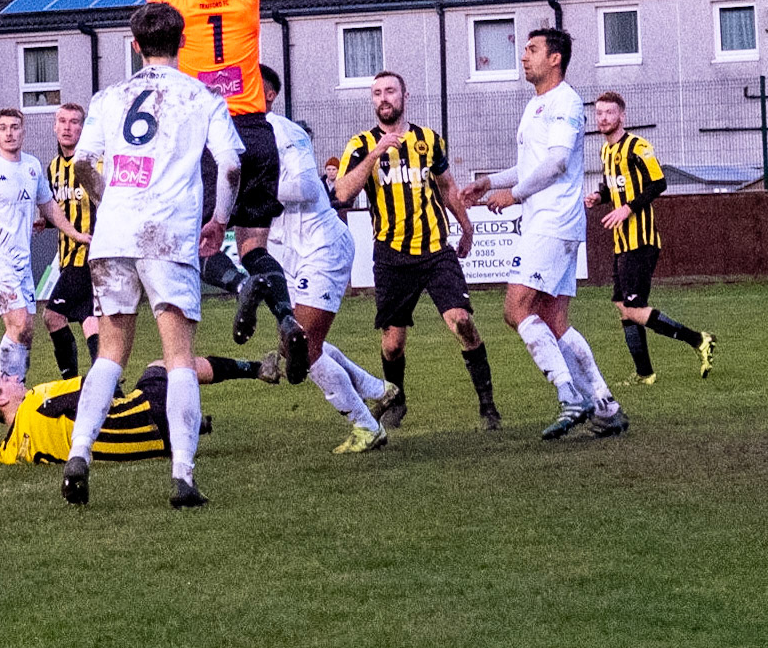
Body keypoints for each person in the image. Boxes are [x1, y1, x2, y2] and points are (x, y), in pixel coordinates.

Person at [59, 1, 244, 508]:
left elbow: (83, 163)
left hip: (114, 233)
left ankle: (80, 453)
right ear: (182, 42)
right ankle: (182, 475)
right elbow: (229, 166)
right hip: (168, 236)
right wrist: (219, 219)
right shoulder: (202, 97)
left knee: (111, 354)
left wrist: (107, 201)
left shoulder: (108, 97)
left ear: (135, 44)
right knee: (178, 358)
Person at [137, 0, 307, 383]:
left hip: (212, 137)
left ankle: (239, 287)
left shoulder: (175, 8)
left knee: (202, 245)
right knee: (255, 244)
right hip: (257, 130)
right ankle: (285, 315)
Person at [461, 28, 628, 440]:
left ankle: (571, 396)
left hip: (554, 220)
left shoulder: (567, 102)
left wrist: (513, 195)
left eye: (532, 50)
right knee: (552, 320)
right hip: (546, 220)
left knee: (515, 310)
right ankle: (606, 407)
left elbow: (555, 164)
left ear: (555, 58)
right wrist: (489, 182)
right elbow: (532, 163)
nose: (523, 57)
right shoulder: (536, 105)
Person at [335, 71, 496, 430]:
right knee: (392, 345)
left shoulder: (428, 140)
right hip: (391, 256)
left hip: (436, 251)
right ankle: (398, 400)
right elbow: (343, 192)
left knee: (463, 322)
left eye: (390, 91)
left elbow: (446, 186)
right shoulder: (361, 145)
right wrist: (376, 152)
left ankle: (488, 406)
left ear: (405, 95)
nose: (383, 98)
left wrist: (467, 227)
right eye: (376, 93)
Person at [258, 66, 394, 452]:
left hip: (320, 244)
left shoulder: (285, 132)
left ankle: (367, 426)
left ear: (267, 94)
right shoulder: (237, 134)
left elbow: (302, 186)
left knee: (301, 344)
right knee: (296, 343)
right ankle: (375, 389)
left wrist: (254, 186)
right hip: (289, 249)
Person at [585, 91, 715, 384]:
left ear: (622, 116)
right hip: (621, 241)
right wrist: (598, 196)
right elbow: (613, 187)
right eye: (599, 113)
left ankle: (698, 339)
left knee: (633, 307)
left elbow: (659, 182)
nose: (603, 118)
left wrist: (627, 209)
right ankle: (645, 373)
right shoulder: (606, 152)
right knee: (623, 306)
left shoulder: (637, 146)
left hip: (641, 240)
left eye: (609, 112)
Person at [0, 108, 90, 384]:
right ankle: (7, 389)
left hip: (20, 263)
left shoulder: (32, 166)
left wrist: (73, 233)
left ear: (23, 132)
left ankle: (11, 388)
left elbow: (48, 205)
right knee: (20, 322)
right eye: (3, 128)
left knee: (25, 332)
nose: (9, 133)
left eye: (15, 127)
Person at [0, 356, 277, 465]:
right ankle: (256, 368)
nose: (15, 378)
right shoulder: (35, 398)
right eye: (5, 380)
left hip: (154, 449)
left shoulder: (12, 451)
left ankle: (192, 424)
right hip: (148, 418)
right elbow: (99, 387)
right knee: (166, 363)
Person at [43, 102, 100, 379]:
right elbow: (58, 207)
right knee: (89, 318)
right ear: (55, 127)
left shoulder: (94, 163)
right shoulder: (53, 168)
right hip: (67, 255)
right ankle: (109, 383)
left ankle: (71, 382)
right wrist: (45, 220)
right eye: (62, 121)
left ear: (83, 127)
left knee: (52, 316)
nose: (67, 127)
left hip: (87, 254)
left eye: (74, 122)